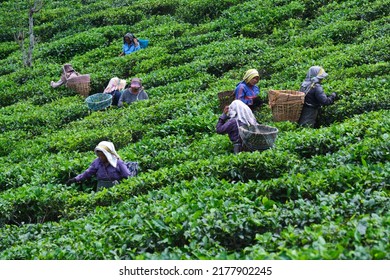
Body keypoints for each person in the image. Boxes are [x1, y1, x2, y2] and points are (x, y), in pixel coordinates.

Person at [66, 141, 131, 191]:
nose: (101, 157)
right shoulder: (97, 162)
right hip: (101, 187)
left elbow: (127, 176)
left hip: (115, 188)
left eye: (103, 155)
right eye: (99, 155)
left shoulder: (118, 162)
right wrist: (75, 179)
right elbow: (88, 173)